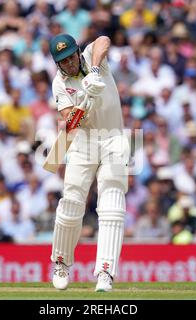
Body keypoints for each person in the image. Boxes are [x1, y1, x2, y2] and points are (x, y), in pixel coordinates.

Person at [48, 33, 129, 292]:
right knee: (71, 200)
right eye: (63, 61)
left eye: (71, 57)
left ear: (77, 51)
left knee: (112, 200)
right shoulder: (59, 84)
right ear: (57, 63)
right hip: (83, 142)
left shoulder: (93, 58)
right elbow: (70, 122)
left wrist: (94, 72)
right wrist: (84, 104)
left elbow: (104, 40)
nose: (70, 63)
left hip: (113, 137)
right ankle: (61, 262)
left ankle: (105, 272)